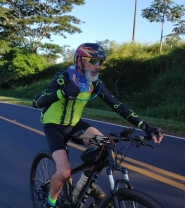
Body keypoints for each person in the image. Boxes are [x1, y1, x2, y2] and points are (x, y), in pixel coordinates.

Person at [32, 43, 163, 208]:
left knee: (105, 144)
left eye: (100, 62)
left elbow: (116, 105)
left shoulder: (94, 83)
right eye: (92, 60)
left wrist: (145, 126)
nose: (97, 66)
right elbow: (36, 101)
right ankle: (49, 204)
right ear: (79, 60)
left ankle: (86, 184)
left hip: (75, 127)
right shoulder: (63, 78)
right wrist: (62, 93)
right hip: (54, 128)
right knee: (64, 172)